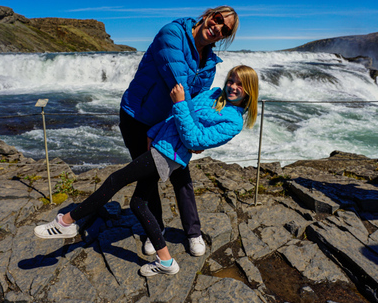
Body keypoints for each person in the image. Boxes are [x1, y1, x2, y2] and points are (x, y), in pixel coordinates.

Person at [34, 65, 259, 277]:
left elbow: (194, 139)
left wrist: (179, 103)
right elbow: (176, 118)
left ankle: (66, 222)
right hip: (161, 144)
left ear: (249, 91)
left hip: (169, 155)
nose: (233, 86)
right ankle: (166, 262)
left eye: (240, 84)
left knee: (115, 179)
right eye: (231, 80)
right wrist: (153, 131)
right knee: (138, 203)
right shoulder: (212, 94)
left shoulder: (233, 122)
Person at [119, 6, 239, 257]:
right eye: (218, 20)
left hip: (173, 121)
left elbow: (192, 101)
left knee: (181, 176)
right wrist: (191, 132)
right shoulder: (172, 33)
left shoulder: (209, 65)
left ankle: (193, 232)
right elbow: (179, 82)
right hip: (137, 117)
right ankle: (156, 229)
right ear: (208, 15)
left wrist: (193, 133)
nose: (218, 28)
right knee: (148, 177)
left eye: (225, 30)